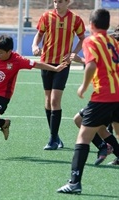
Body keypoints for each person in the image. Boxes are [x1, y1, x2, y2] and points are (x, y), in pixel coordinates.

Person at [0, 34, 68, 158]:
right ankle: (3, 123)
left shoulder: (18, 60)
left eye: (1, 53)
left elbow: (37, 64)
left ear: (9, 51)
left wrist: (55, 69)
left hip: (3, 94)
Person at [57, 8, 119, 194]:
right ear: (108, 25)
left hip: (103, 96)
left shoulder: (91, 40)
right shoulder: (113, 42)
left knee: (83, 136)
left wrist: (83, 86)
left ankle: (74, 183)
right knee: (110, 129)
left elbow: (91, 64)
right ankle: (106, 149)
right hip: (117, 94)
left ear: (90, 25)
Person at [31, 0, 86, 150]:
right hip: (46, 62)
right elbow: (39, 34)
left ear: (68, 2)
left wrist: (74, 53)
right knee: (48, 100)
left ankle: (53, 139)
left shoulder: (75, 19)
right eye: (55, 1)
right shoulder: (46, 16)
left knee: (55, 100)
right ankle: (55, 137)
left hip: (62, 63)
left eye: (60, 1)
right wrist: (35, 45)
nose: (57, 4)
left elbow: (82, 38)